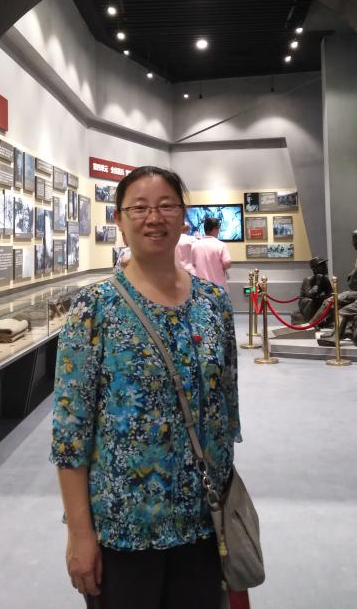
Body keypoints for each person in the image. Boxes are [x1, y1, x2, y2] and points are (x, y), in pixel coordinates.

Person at [50, 166, 240, 609]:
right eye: (139, 208)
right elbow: (70, 434)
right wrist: (80, 533)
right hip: (122, 531)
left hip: (202, 525)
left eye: (166, 205)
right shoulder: (94, 308)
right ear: (119, 219)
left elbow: (224, 414)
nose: (154, 217)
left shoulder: (213, 304)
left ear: (183, 216)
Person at [192, 217, 232, 290]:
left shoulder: (195, 245)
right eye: (218, 228)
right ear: (215, 229)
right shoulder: (221, 245)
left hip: (201, 288)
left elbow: (192, 265)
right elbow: (227, 263)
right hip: (218, 289)